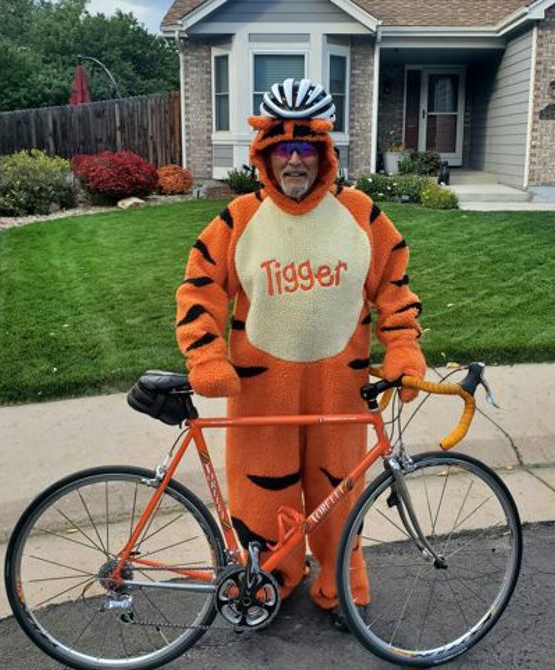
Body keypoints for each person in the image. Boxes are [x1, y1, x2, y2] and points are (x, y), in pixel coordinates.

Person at [175, 78, 426, 628]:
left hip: (341, 389)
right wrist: (206, 356)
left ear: (324, 153)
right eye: (283, 148)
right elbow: (200, 288)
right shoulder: (240, 217)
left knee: (340, 495)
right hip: (260, 391)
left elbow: (394, 286)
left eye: (306, 148)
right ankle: (269, 580)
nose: (294, 160)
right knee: (262, 493)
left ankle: (343, 588)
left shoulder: (361, 214)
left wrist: (403, 346)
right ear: (264, 154)